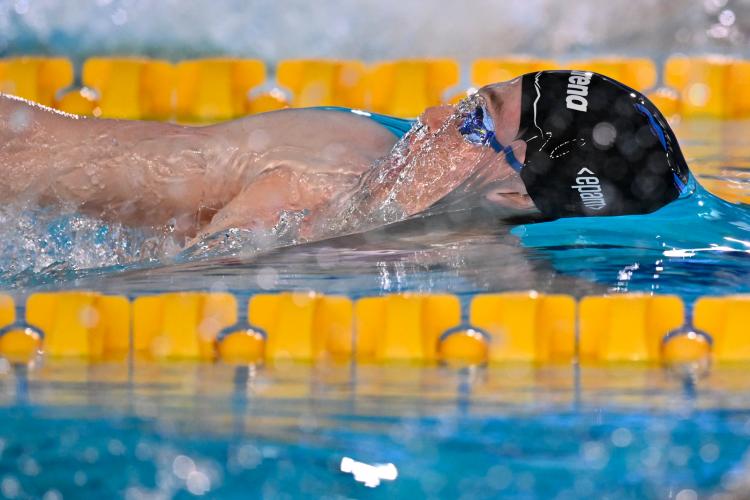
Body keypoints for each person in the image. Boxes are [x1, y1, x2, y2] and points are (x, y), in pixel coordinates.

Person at [0, 70, 690, 249]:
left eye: (474, 121)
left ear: (516, 195)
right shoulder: (314, 159)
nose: (432, 117)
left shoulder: (489, 284)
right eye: (469, 100)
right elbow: (23, 151)